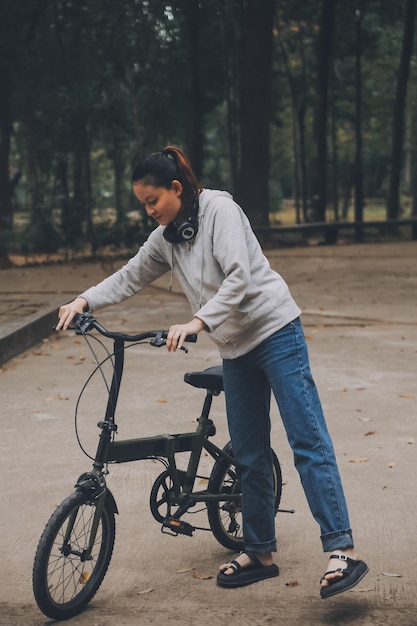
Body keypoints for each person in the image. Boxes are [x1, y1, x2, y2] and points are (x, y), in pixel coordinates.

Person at [57, 145, 368, 598]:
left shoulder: (221, 210)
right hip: (235, 346)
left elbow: (239, 279)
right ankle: (260, 551)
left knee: (307, 439)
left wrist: (198, 321)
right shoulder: (167, 235)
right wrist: (83, 299)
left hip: (275, 330)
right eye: (143, 204)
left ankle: (343, 551)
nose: (149, 212)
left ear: (176, 189)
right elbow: (129, 275)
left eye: (152, 202)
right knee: (248, 454)